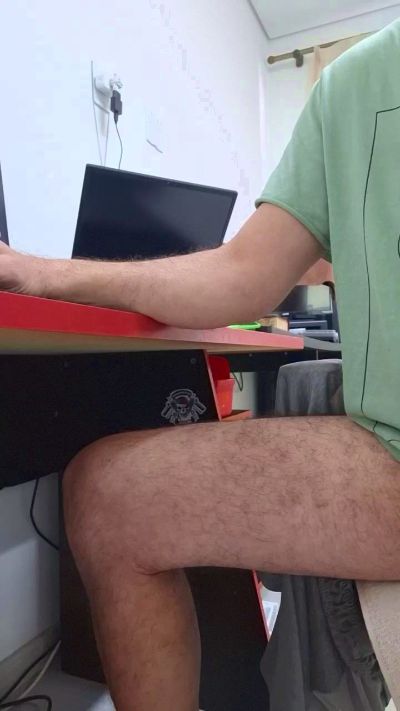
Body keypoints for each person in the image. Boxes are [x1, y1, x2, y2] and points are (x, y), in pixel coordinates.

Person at [1, 19, 400, 711]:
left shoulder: (356, 78)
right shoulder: (348, 83)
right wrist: (41, 274)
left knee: (105, 495)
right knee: (109, 489)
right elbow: (241, 276)